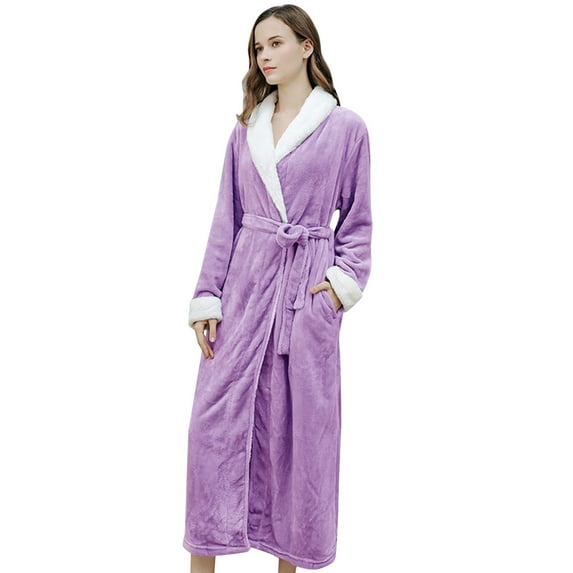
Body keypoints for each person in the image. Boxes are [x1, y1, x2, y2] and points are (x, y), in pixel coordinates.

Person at [183, 4, 372, 572]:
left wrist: (336, 291)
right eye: (258, 48)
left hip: (303, 301)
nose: (264, 56)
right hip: (243, 294)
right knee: (212, 433)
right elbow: (226, 219)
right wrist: (207, 298)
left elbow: (358, 226)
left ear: (306, 46)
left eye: (276, 43)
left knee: (299, 442)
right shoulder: (246, 129)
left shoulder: (346, 129)